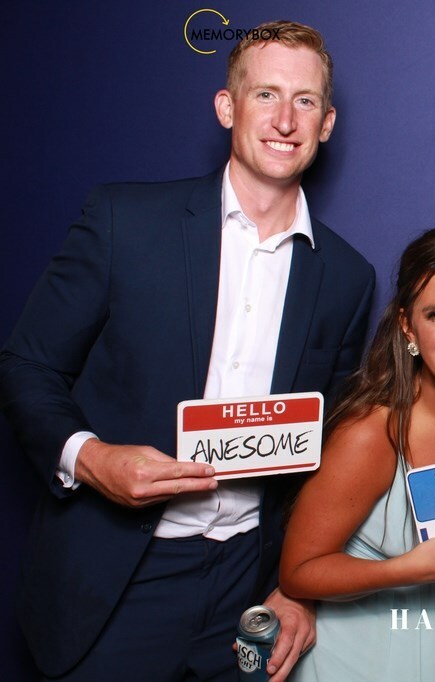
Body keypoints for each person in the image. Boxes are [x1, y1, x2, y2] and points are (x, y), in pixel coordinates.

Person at [0, 21, 375, 681]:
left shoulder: (348, 277)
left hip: (248, 588)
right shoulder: (125, 222)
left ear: (326, 123)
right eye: (265, 95)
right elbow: (28, 365)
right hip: (119, 578)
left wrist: (298, 583)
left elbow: (331, 445)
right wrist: (92, 459)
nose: (285, 120)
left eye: (306, 101)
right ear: (228, 107)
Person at [279, 227, 435, 682]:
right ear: (407, 326)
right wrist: (403, 569)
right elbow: (299, 571)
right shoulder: (371, 430)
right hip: (358, 661)